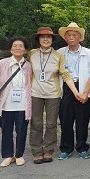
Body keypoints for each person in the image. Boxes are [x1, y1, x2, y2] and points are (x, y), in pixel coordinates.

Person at [29, 27, 80, 164]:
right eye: (42, 37)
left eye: (48, 37)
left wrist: (76, 92)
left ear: (52, 40)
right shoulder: (32, 54)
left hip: (53, 94)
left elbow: (66, 75)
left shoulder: (58, 56)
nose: (46, 39)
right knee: (36, 123)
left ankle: (48, 150)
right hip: (35, 93)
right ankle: (36, 151)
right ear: (38, 40)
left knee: (51, 124)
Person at [0, 37, 32, 167]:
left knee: (22, 130)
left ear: (25, 49)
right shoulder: (2, 63)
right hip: (6, 103)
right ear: (10, 48)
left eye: (21, 46)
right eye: (15, 45)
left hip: (23, 103)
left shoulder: (28, 66)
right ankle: (8, 155)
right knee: (6, 130)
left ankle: (19, 155)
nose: (18, 48)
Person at [57, 23, 90, 160]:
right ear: (65, 37)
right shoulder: (60, 53)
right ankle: (66, 148)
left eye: (75, 35)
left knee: (82, 120)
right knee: (65, 119)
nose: (72, 37)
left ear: (80, 37)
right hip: (66, 88)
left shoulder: (89, 53)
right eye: (69, 35)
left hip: (84, 87)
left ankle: (82, 147)